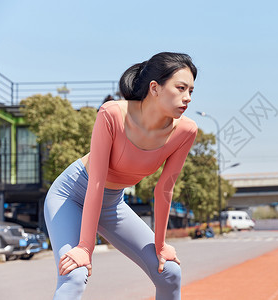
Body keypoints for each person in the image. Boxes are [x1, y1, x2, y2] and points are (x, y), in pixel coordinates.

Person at [43, 52, 198, 300]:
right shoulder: (112, 114)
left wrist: (161, 245)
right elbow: (95, 181)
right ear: (155, 88)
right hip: (70, 196)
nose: (187, 97)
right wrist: (85, 247)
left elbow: (164, 189)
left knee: (169, 272)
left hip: (112, 203)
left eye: (191, 90)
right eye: (180, 88)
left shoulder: (186, 131)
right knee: (74, 274)